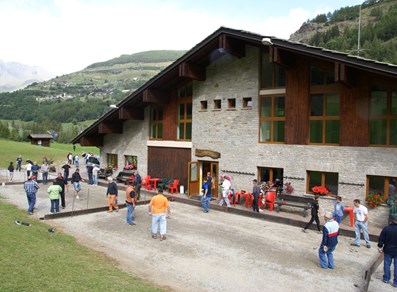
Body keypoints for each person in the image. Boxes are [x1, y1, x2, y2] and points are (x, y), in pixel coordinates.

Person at [377, 215, 397, 287]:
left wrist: (380, 246)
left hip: (388, 249)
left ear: (391, 221)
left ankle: (386, 278)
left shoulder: (386, 229)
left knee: (387, 264)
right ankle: (395, 282)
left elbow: (381, 239)